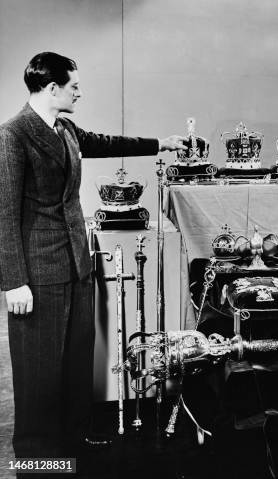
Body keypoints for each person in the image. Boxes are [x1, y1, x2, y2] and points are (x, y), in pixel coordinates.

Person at [0, 52, 187, 460]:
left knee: (75, 363)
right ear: (52, 89)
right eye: (74, 86)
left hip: (76, 267)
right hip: (39, 274)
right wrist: (14, 281)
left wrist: (161, 144)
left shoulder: (63, 127)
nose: (79, 92)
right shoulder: (12, 135)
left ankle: (73, 440)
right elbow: (4, 213)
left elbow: (105, 143)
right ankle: (37, 456)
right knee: (40, 372)